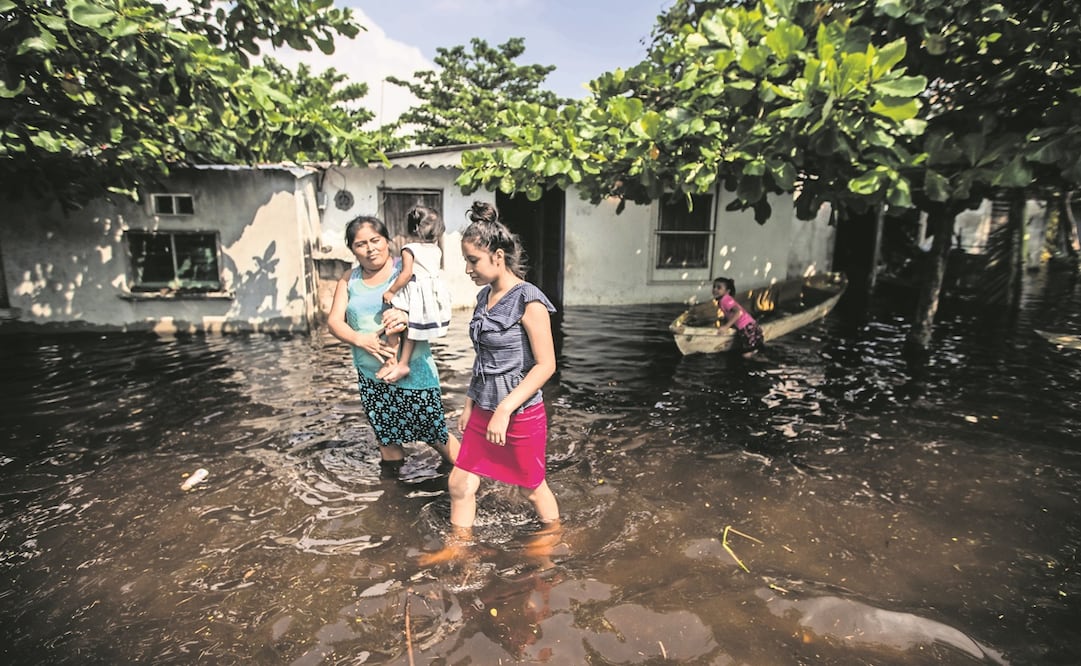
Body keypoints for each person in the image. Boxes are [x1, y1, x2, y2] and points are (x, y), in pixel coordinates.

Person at [421, 201, 560, 563]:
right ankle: (458, 548)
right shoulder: (484, 297)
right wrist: (469, 405)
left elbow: (546, 366)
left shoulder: (529, 301)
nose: (467, 269)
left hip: (518, 411)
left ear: (498, 256)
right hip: (484, 408)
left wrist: (503, 409)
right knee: (459, 483)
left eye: (472, 260)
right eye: (465, 261)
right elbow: (483, 360)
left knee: (531, 488)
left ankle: (553, 540)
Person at [327, 215, 459, 475]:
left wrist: (408, 317)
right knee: (387, 440)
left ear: (387, 241)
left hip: (413, 372)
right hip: (371, 376)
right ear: (352, 249)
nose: (370, 248)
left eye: (376, 240)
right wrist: (359, 339)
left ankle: (472, 479)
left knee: (435, 435)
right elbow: (334, 322)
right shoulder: (349, 279)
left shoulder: (406, 268)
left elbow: (437, 306)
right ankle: (393, 502)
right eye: (361, 244)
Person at [377, 205, 452, 383]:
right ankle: (403, 363)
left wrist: (391, 291)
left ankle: (391, 360)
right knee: (412, 328)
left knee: (393, 324)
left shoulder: (409, 249)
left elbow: (407, 274)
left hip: (414, 292)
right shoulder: (436, 249)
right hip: (429, 295)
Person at [712, 276, 764, 358]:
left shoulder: (725, 300)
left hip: (748, 328)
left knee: (747, 355)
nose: (715, 289)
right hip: (750, 326)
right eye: (714, 287)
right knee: (752, 351)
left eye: (719, 288)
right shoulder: (723, 300)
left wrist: (726, 327)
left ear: (727, 291)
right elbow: (729, 314)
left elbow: (738, 312)